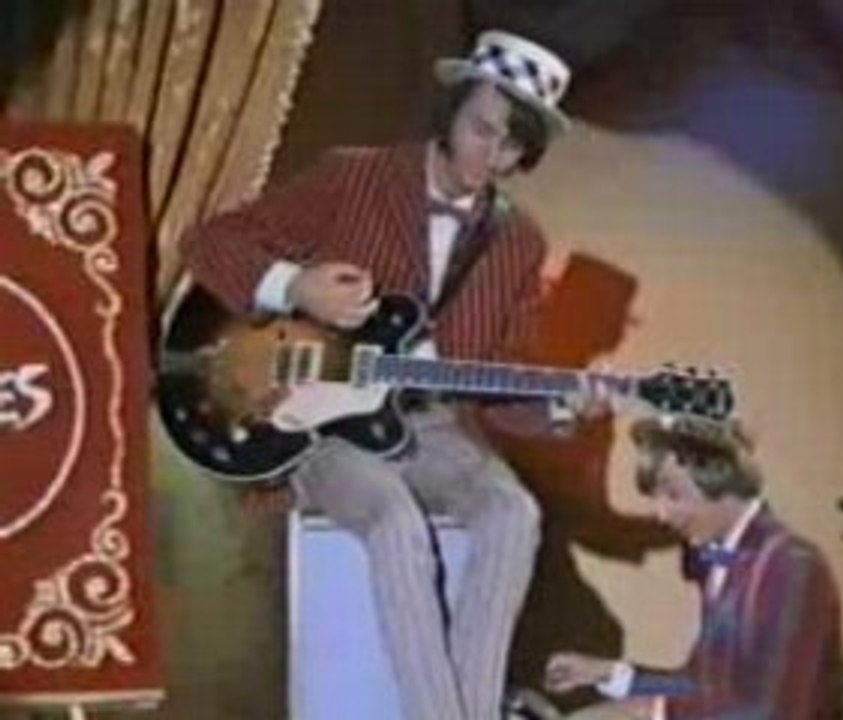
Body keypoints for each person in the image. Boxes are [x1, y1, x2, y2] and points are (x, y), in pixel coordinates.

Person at [183, 29, 607, 720]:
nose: (490, 156)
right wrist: (297, 286)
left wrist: (561, 405)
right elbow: (208, 243)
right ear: (451, 110)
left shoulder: (518, 241)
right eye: (481, 129)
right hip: (319, 423)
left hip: (430, 428)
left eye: (510, 146)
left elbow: (504, 381)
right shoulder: (354, 177)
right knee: (393, 522)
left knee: (513, 513)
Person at [540, 412, 843, 720]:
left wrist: (650, 710)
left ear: (720, 477)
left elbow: (770, 712)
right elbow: (701, 689)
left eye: (674, 494)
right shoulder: (726, 558)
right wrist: (611, 673)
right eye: (657, 497)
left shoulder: (789, 564)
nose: (662, 515)